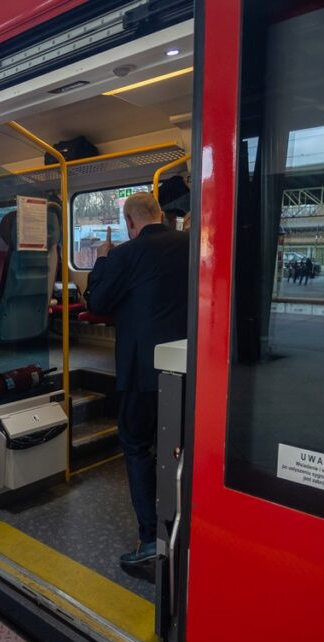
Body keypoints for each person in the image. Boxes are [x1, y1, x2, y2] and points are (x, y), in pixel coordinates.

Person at [85, 192, 189, 568]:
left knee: (135, 445)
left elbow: (97, 303)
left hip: (142, 372)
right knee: (180, 445)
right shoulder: (190, 245)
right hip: (187, 368)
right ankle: (186, 528)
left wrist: (101, 262)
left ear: (129, 222)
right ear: (161, 214)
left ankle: (150, 540)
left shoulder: (124, 255)